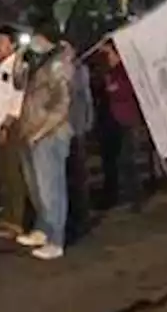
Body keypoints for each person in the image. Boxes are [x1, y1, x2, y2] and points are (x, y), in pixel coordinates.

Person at [13, 22, 73, 260]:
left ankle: (56, 239)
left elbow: (62, 106)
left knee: (51, 188)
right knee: (35, 186)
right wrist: (19, 55)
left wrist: (41, 131)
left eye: (36, 37)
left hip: (50, 134)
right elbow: (18, 82)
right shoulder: (39, 62)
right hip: (31, 132)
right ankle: (42, 228)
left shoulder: (59, 64)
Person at [0, 25, 28, 238]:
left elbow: (17, 101)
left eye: (2, 42)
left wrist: (6, 126)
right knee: (0, 173)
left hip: (9, 127)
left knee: (13, 174)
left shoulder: (18, 68)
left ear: (12, 44)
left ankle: (17, 219)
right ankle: (6, 214)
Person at [101, 38, 148, 210]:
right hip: (116, 120)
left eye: (109, 54)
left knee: (128, 160)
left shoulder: (123, 71)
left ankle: (136, 198)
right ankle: (129, 196)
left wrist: (113, 88)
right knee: (121, 160)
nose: (107, 58)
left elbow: (123, 91)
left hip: (128, 119)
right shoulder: (110, 71)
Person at [63, 41, 95, 242]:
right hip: (60, 130)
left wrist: (86, 124)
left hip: (75, 128)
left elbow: (83, 96)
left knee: (78, 175)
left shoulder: (79, 71)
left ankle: (81, 217)